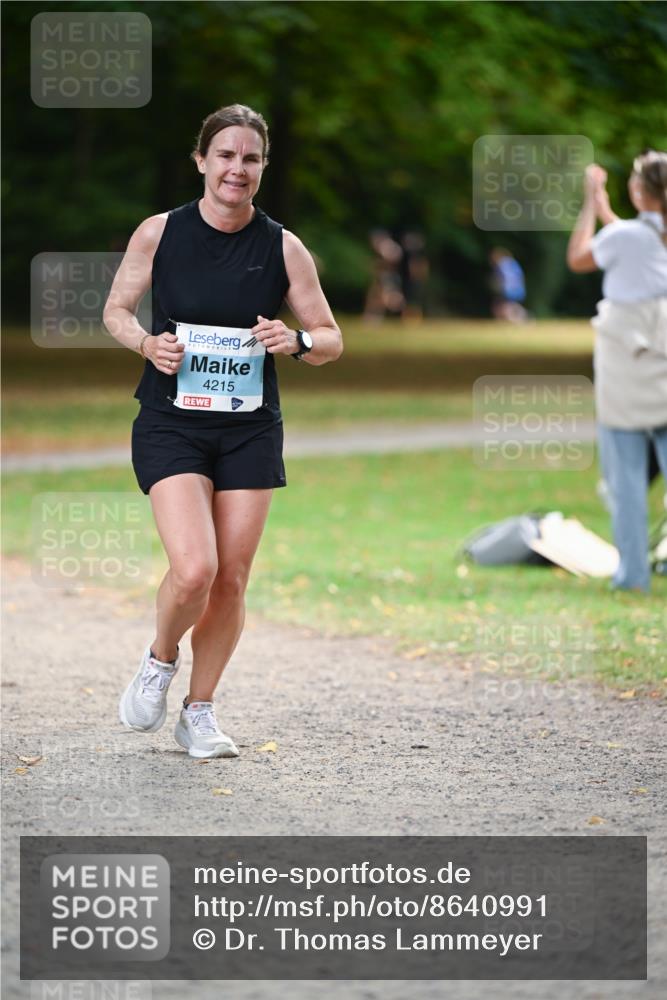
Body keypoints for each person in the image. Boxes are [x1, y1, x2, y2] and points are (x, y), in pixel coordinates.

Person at [103, 104, 342, 757]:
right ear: (202, 160)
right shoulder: (160, 233)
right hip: (170, 423)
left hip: (248, 430)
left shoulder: (282, 246)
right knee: (195, 570)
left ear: (262, 168)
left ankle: (198, 712)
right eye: (227, 155)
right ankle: (159, 658)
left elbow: (329, 339)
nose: (237, 168)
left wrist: (293, 340)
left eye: (251, 158)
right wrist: (147, 344)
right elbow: (117, 312)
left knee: (231, 578)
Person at [567, 150, 667, 591]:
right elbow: (635, 238)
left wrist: (590, 203)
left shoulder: (625, 238)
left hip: (628, 364)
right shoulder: (639, 237)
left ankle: (633, 576)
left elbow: (580, 258)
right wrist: (610, 211)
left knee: (624, 474)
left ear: (639, 191)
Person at [489, 247, 527, 322]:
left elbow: (502, 278)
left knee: (501, 307)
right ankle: (523, 316)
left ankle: (518, 319)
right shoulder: (513, 263)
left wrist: (498, 286)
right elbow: (520, 276)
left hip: (508, 289)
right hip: (518, 289)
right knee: (509, 305)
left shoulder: (501, 265)